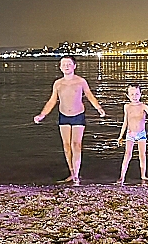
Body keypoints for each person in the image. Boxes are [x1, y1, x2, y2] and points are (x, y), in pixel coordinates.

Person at [34, 57, 105, 185]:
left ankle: (77, 175)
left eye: (69, 64)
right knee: (67, 146)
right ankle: (71, 172)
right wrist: (42, 114)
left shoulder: (81, 81)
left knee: (76, 145)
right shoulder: (58, 83)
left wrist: (98, 108)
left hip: (78, 115)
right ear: (60, 67)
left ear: (74, 66)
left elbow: (89, 95)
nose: (66, 66)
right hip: (64, 116)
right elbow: (52, 100)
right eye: (64, 64)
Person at [116, 84, 148, 185]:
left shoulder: (143, 106)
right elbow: (125, 122)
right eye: (132, 94)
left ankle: (143, 175)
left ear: (140, 94)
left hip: (141, 134)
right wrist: (120, 136)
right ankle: (122, 176)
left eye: (136, 94)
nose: (134, 96)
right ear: (128, 95)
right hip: (130, 133)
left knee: (142, 155)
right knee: (127, 155)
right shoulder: (127, 107)